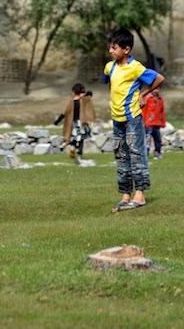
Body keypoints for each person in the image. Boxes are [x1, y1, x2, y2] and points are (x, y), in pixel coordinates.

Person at [103, 28, 164, 211]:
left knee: (136, 154)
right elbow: (110, 84)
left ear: (126, 49)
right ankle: (125, 194)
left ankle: (140, 195)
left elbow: (159, 78)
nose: (111, 51)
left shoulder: (135, 67)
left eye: (114, 48)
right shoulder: (109, 67)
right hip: (117, 119)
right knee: (121, 155)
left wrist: (143, 94)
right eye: (110, 47)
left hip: (133, 118)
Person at [53, 83, 95, 161]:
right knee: (80, 138)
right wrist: (87, 93)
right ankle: (78, 152)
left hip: (74, 123)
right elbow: (89, 95)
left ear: (74, 92)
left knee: (76, 138)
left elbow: (64, 112)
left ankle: (72, 148)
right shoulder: (83, 100)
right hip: (81, 123)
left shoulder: (72, 102)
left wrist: (57, 121)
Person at [142, 88, 167, 159]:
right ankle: (145, 154)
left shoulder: (160, 99)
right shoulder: (147, 98)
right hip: (148, 123)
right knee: (147, 139)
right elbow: (143, 111)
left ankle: (157, 152)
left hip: (157, 123)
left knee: (158, 139)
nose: (156, 90)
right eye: (154, 89)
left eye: (157, 89)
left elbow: (162, 112)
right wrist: (143, 122)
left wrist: (163, 122)